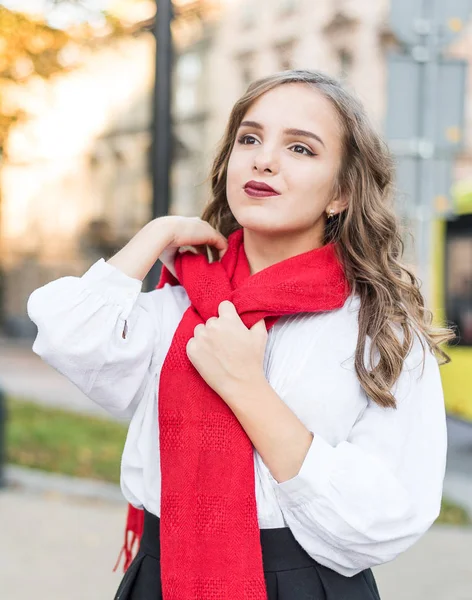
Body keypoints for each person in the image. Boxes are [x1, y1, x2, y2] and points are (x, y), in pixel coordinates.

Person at [27, 70, 453, 600]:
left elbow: (387, 515)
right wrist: (156, 234)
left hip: (308, 583)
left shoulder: (377, 327)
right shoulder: (180, 302)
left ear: (341, 193)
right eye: (249, 139)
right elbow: (69, 337)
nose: (263, 159)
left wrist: (247, 388)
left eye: (300, 148)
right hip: (164, 578)